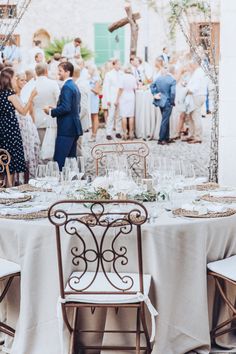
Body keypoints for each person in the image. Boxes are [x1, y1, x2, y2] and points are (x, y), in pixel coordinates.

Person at [0, 67, 37, 185]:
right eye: (14, 77)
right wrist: (31, 97)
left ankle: (5, 183)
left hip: (2, 128)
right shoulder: (10, 95)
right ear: (8, 79)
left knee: (4, 155)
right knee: (11, 156)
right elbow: (23, 111)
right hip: (11, 129)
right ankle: (9, 186)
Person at [44, 62, 83, 170]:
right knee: (71, 160)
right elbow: (76, 108)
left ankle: (58, 183)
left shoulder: (67, 87)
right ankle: (72, 183)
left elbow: (66, 108)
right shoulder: (73, 85)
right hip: (73, 127)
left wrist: (50, 112)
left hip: (66, 128)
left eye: (60, 71)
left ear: (67, 72)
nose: (58, 73)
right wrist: (56, 107)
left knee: (59, 161)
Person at [15, 72, 40, 179]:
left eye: (25, 80)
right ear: (16, 81)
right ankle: (18, 178)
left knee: (31, 150)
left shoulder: (28, 93)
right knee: (21, 151)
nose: (24, 82)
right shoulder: (13, 95)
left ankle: (28, 178)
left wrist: (34, 125)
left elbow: (31, 110)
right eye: (22, 80)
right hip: (18, 124)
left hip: (28, 124)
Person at [33, 63, 60, 145]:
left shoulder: (32, 84)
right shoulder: (53, 83)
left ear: (36, 72)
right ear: (46, 71)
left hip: (37, 118)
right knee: (52, 146)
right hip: (52, 117)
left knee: (41, 146)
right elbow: (59, 100)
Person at [151, 66, 176, 145]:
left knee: (165, 119)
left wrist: (155, 93)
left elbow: (151, 86)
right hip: (168, 102)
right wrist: (172, 102)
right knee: (165, 120)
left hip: (160, 101)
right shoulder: (172, 80)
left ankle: (166, 138)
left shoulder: (158, 78)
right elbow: (173, 93)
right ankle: (161, 139)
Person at [186, 60, 208, 144]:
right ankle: (192, 135)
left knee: (196, 116)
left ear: (195, 63)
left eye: (191, 64)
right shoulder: (199, 71)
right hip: (198, 95)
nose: (191, 66)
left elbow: (196, 86)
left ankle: (198, 137)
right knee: (191, 116)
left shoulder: (199, 72)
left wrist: (187, 91)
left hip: (197, 96)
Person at [103, 59, 124, 140]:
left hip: (120, 97)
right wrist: (107, 99)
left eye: (120, 64)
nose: (119, 66)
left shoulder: (122, 73)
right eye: (118, 64)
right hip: (111, 97)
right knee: (111, 115)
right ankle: (108, 132)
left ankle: (118, 131)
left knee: (119, 115)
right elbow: (106, 88)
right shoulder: (109, 74)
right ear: (114, 65)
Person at [116, 65, 137, 140]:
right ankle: (131, 133)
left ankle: (125, 133)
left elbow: (120, 89)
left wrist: (117, 99)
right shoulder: (133, 77)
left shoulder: (122, 77)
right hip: (131, 96)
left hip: (124, 96)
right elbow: (135, 88)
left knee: (124, 116)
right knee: (131, 115)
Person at [88, 65, 101, 142]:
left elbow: (97, 91)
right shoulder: (89, 78)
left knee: (95, 116)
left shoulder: (97, 79)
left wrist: (88, 87)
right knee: (91, 116)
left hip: (94, 99)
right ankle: (91, 133)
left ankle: (94, 135)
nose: (88, 70)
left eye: (89, 69)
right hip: (89, 99)